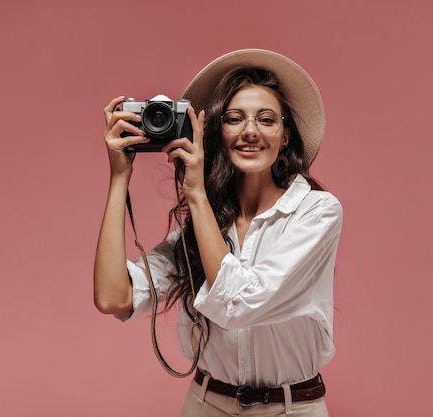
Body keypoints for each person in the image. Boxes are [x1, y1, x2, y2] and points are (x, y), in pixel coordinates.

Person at [94, 49, 343, 417]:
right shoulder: (204, 228)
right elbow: (114, 297)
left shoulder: (316, 213)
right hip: (206, 404)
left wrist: (196, 193)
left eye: (266, 119)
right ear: (217, 134)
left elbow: (239, 304)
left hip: (293, 409)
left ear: (286, 137)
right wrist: (119, 178)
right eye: (234, 118)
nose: (250, 131)